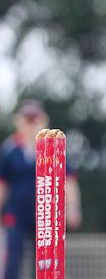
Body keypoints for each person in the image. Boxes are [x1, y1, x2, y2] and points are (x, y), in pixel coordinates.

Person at [0, 100, 82, 279]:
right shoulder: (9, 149)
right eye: (27, 119)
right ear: (19, 121)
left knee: (44, 261)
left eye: (35, 119)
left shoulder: (54, 148)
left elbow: (68, 180)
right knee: (12, 258)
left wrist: (73, 207)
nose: (31, 124)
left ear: (43, 120)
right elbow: (2, 184)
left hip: (44, 212)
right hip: (16, 212)